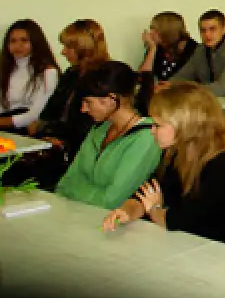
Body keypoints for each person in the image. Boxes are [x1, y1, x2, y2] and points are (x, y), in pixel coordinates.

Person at [102, 81, 225, 245]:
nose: (152, 130)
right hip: (186, 245)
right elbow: (148, 193)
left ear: (185, 127)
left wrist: (154, 210)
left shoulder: (224, 165)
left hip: (221, 251)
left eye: (158, 125)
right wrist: (127, 211)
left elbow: (179, 221)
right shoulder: (177, 154)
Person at [56, 61, 161, 209]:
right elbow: (65, 183)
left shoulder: (146, 137)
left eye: (88, 102)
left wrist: (75, 189)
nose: (83, 109)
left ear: (111, 100)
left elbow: (112, 200)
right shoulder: (100, 128)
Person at [168, 9, 225, 135]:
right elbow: (185, 73)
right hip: (215, 109)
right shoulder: (201, 50)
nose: (207, 34)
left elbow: (221, 88)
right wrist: (168, 85)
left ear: (224, 29)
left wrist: (187, 90)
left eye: (212, 29)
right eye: (203, 30)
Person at [32, 19, 111, 158]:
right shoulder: (71, 74)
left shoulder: (104, 77)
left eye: (68, 47)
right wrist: (43, 129)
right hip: (58, 139)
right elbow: (51, 109)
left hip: (82, 146)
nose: (63, 52)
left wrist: (62, 141)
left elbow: (91, 124)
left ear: (84, 48)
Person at [0, 18, 60, 132]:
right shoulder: (5, 69)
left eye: (24, 40)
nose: (18, 45)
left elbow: (35, 115)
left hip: (26, 129)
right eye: (13, 41)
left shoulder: (48, 72)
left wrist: (4, 122)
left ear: (35, 42)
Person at [138, 11, 200, 83]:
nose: (151, 33)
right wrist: (152, 48)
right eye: (151, 29)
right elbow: (141, 78)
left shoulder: (195, 51)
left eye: (155, 30)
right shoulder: (158, 46)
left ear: (168, 33)